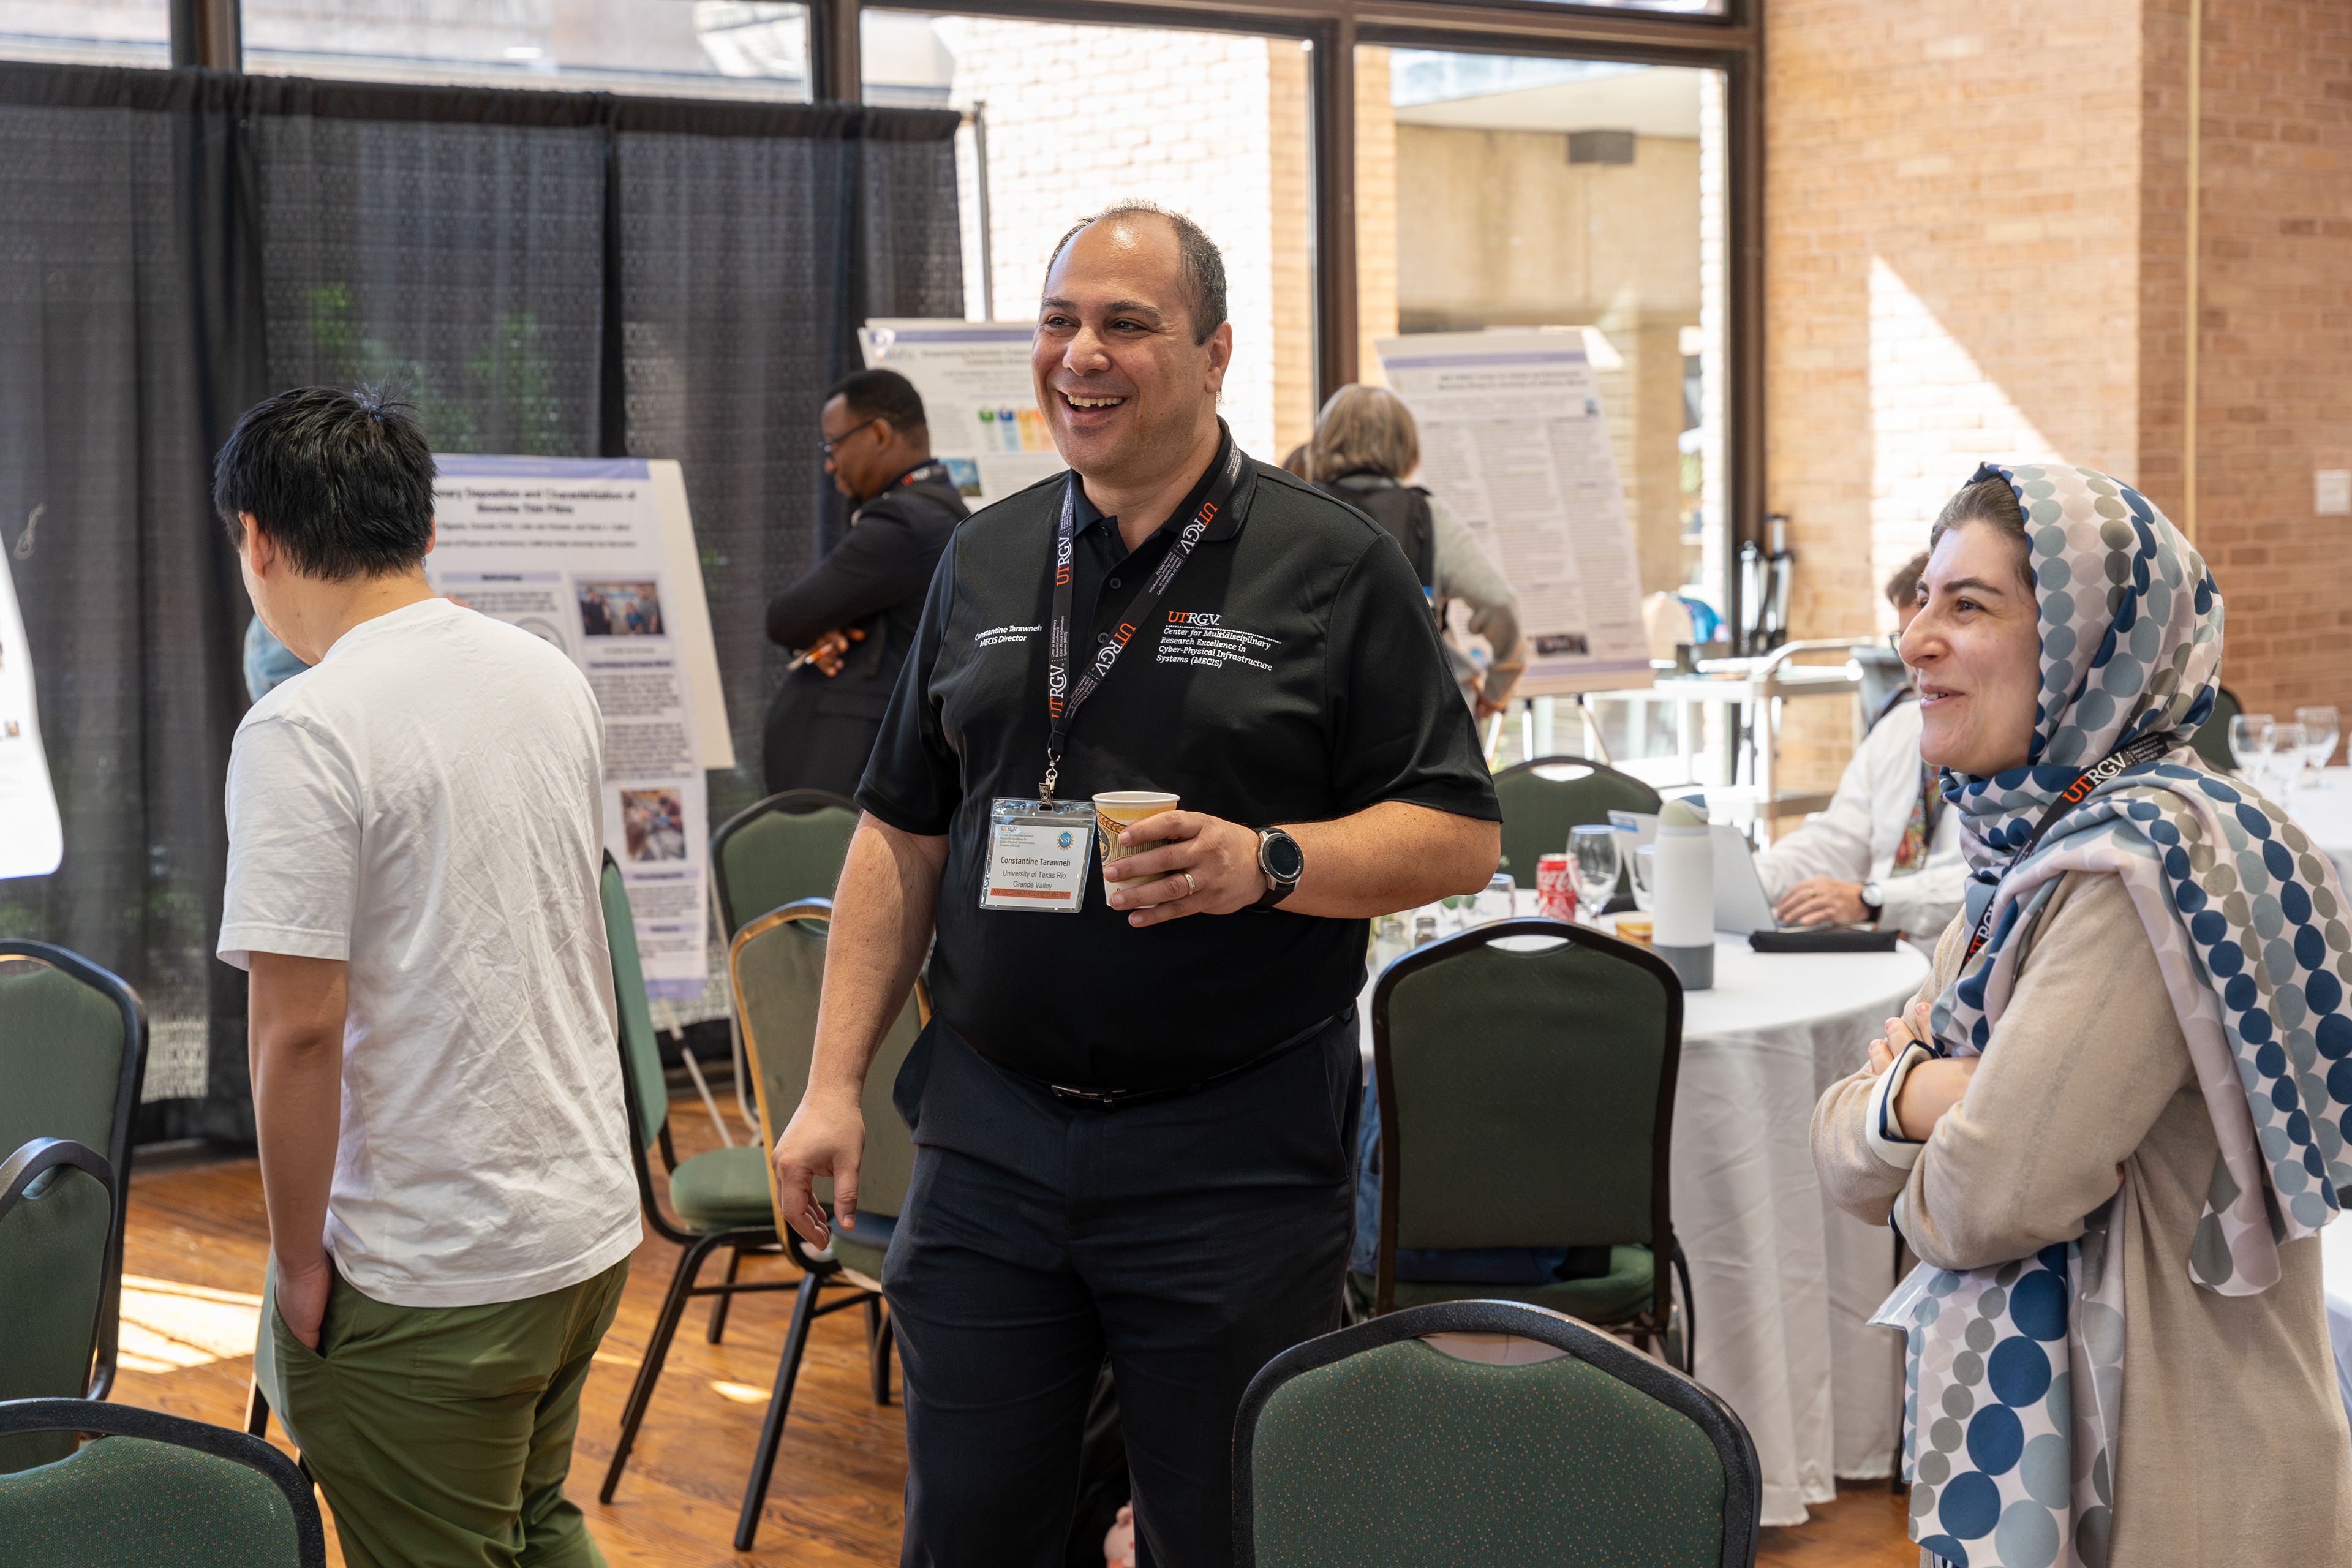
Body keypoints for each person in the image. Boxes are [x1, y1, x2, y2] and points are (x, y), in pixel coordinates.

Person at [768, 202, 1500, 1567]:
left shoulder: (1333, 563)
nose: (1081, 354)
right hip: (989, 1140)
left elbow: (1457, 832)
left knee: (1220, 1535)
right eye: (1059, 322)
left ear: (1215, 353)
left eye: (1125, 324)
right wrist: (828, 1084)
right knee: (968, 1533)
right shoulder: (984, 554)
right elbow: (900, 835)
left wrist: (1269, 862)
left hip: (1230, 1156)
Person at [1811, 464, 2352, 1566]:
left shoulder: (2140, 871)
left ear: (2087, 649)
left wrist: (1910, 1100)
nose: (1915, 639)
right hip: (2110, 1456)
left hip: (2187, 1482)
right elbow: (1838, 1158)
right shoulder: (2030, 857)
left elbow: (1986, 1204)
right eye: (1924, 601)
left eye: (1969, 607)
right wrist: (1927, 1097)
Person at [216, 386, 639, 1568]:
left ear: (258, 539)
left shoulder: (305, 728)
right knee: (535, 1521)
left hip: (431, 1263)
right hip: (580, 1226)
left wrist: (300, 1260)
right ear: (426, 527)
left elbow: (297, 1033)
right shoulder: (546, 674)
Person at [763, 368, 969, 797]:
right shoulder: (947, 509)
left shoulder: (902, 522)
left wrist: (821, 625)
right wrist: (831, 627)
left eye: (834, 444)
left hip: (865, 776)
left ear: (878, 434)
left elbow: (785, 618)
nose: (829, 464)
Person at [1755, 549, 1966, 937]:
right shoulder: (1896, 728)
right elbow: (1835, 842)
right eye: (1903, 637)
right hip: (1880, 952)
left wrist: (1874, 900)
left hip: (1953, 959)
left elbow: (1993, 880)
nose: (1913, 655)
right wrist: (1752, 877)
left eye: (1931, 636)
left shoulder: (2012, 743)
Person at [1305, 384, 1526, 721]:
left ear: (1323, 442)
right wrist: (1499, 688)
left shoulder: (1300, 510)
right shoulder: (1428, 516)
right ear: (1406, 445)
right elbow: (1499, 602)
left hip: (1320, 710)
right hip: (1424, 715)